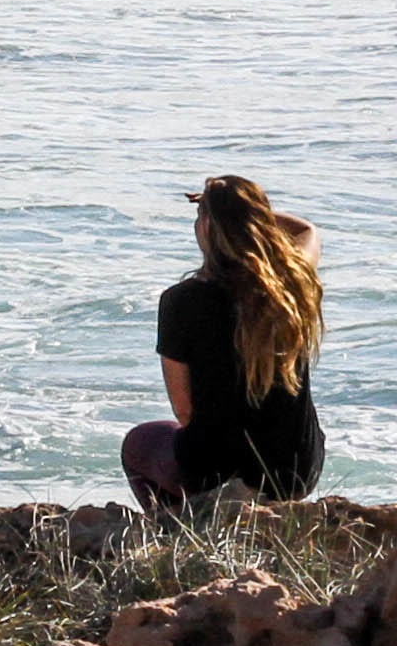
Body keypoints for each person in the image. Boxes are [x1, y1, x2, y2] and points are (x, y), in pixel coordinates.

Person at [121, 173, 326, 509]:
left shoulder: (180, 301)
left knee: (139, 443)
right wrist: (245, 214)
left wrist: (225, 211)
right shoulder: (291, 284)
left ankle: (182, 528)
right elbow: (306, 231)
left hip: (217, 473)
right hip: (295, 471)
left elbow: (185, 412)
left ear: (207, 228)